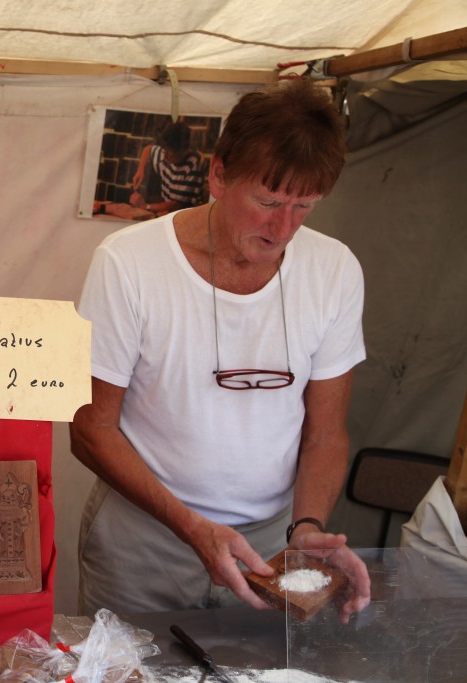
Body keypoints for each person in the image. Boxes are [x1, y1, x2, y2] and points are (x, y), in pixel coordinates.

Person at [71, 78, 372, 621]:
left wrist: (307, 530)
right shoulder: (129, 263)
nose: (282, 228)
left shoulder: (335, 271)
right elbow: (90, 428)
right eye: (267, 201)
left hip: (268, 547)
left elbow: (326, 433)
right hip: (146, 544)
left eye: (304, 206)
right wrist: (191, 527)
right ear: (218, 174)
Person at [129, 120, 206, 216]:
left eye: (169, 154)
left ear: (183, 151)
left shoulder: (193, 164)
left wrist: (145, 206)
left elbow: (176, 205)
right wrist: (140, 170)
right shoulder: (166, 153)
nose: (164, 156)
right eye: (164, 151)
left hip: (185, 214)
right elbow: (148, 149)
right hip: (167, 208)